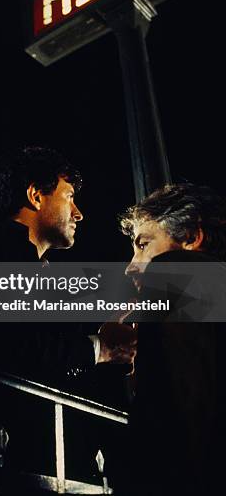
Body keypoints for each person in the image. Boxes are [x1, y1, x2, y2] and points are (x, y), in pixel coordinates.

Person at [0, 147, 136, 494]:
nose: (79, 214)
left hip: (60, 465)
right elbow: (9, 342)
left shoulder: (44, 276)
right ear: (34, 195)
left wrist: (110, 349)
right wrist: (99, 348)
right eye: (69, 197)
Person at [119, 182, 226, 495]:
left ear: (191, 237)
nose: (130, 267)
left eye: (143, 244)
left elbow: (176, 408)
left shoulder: (174, 273)